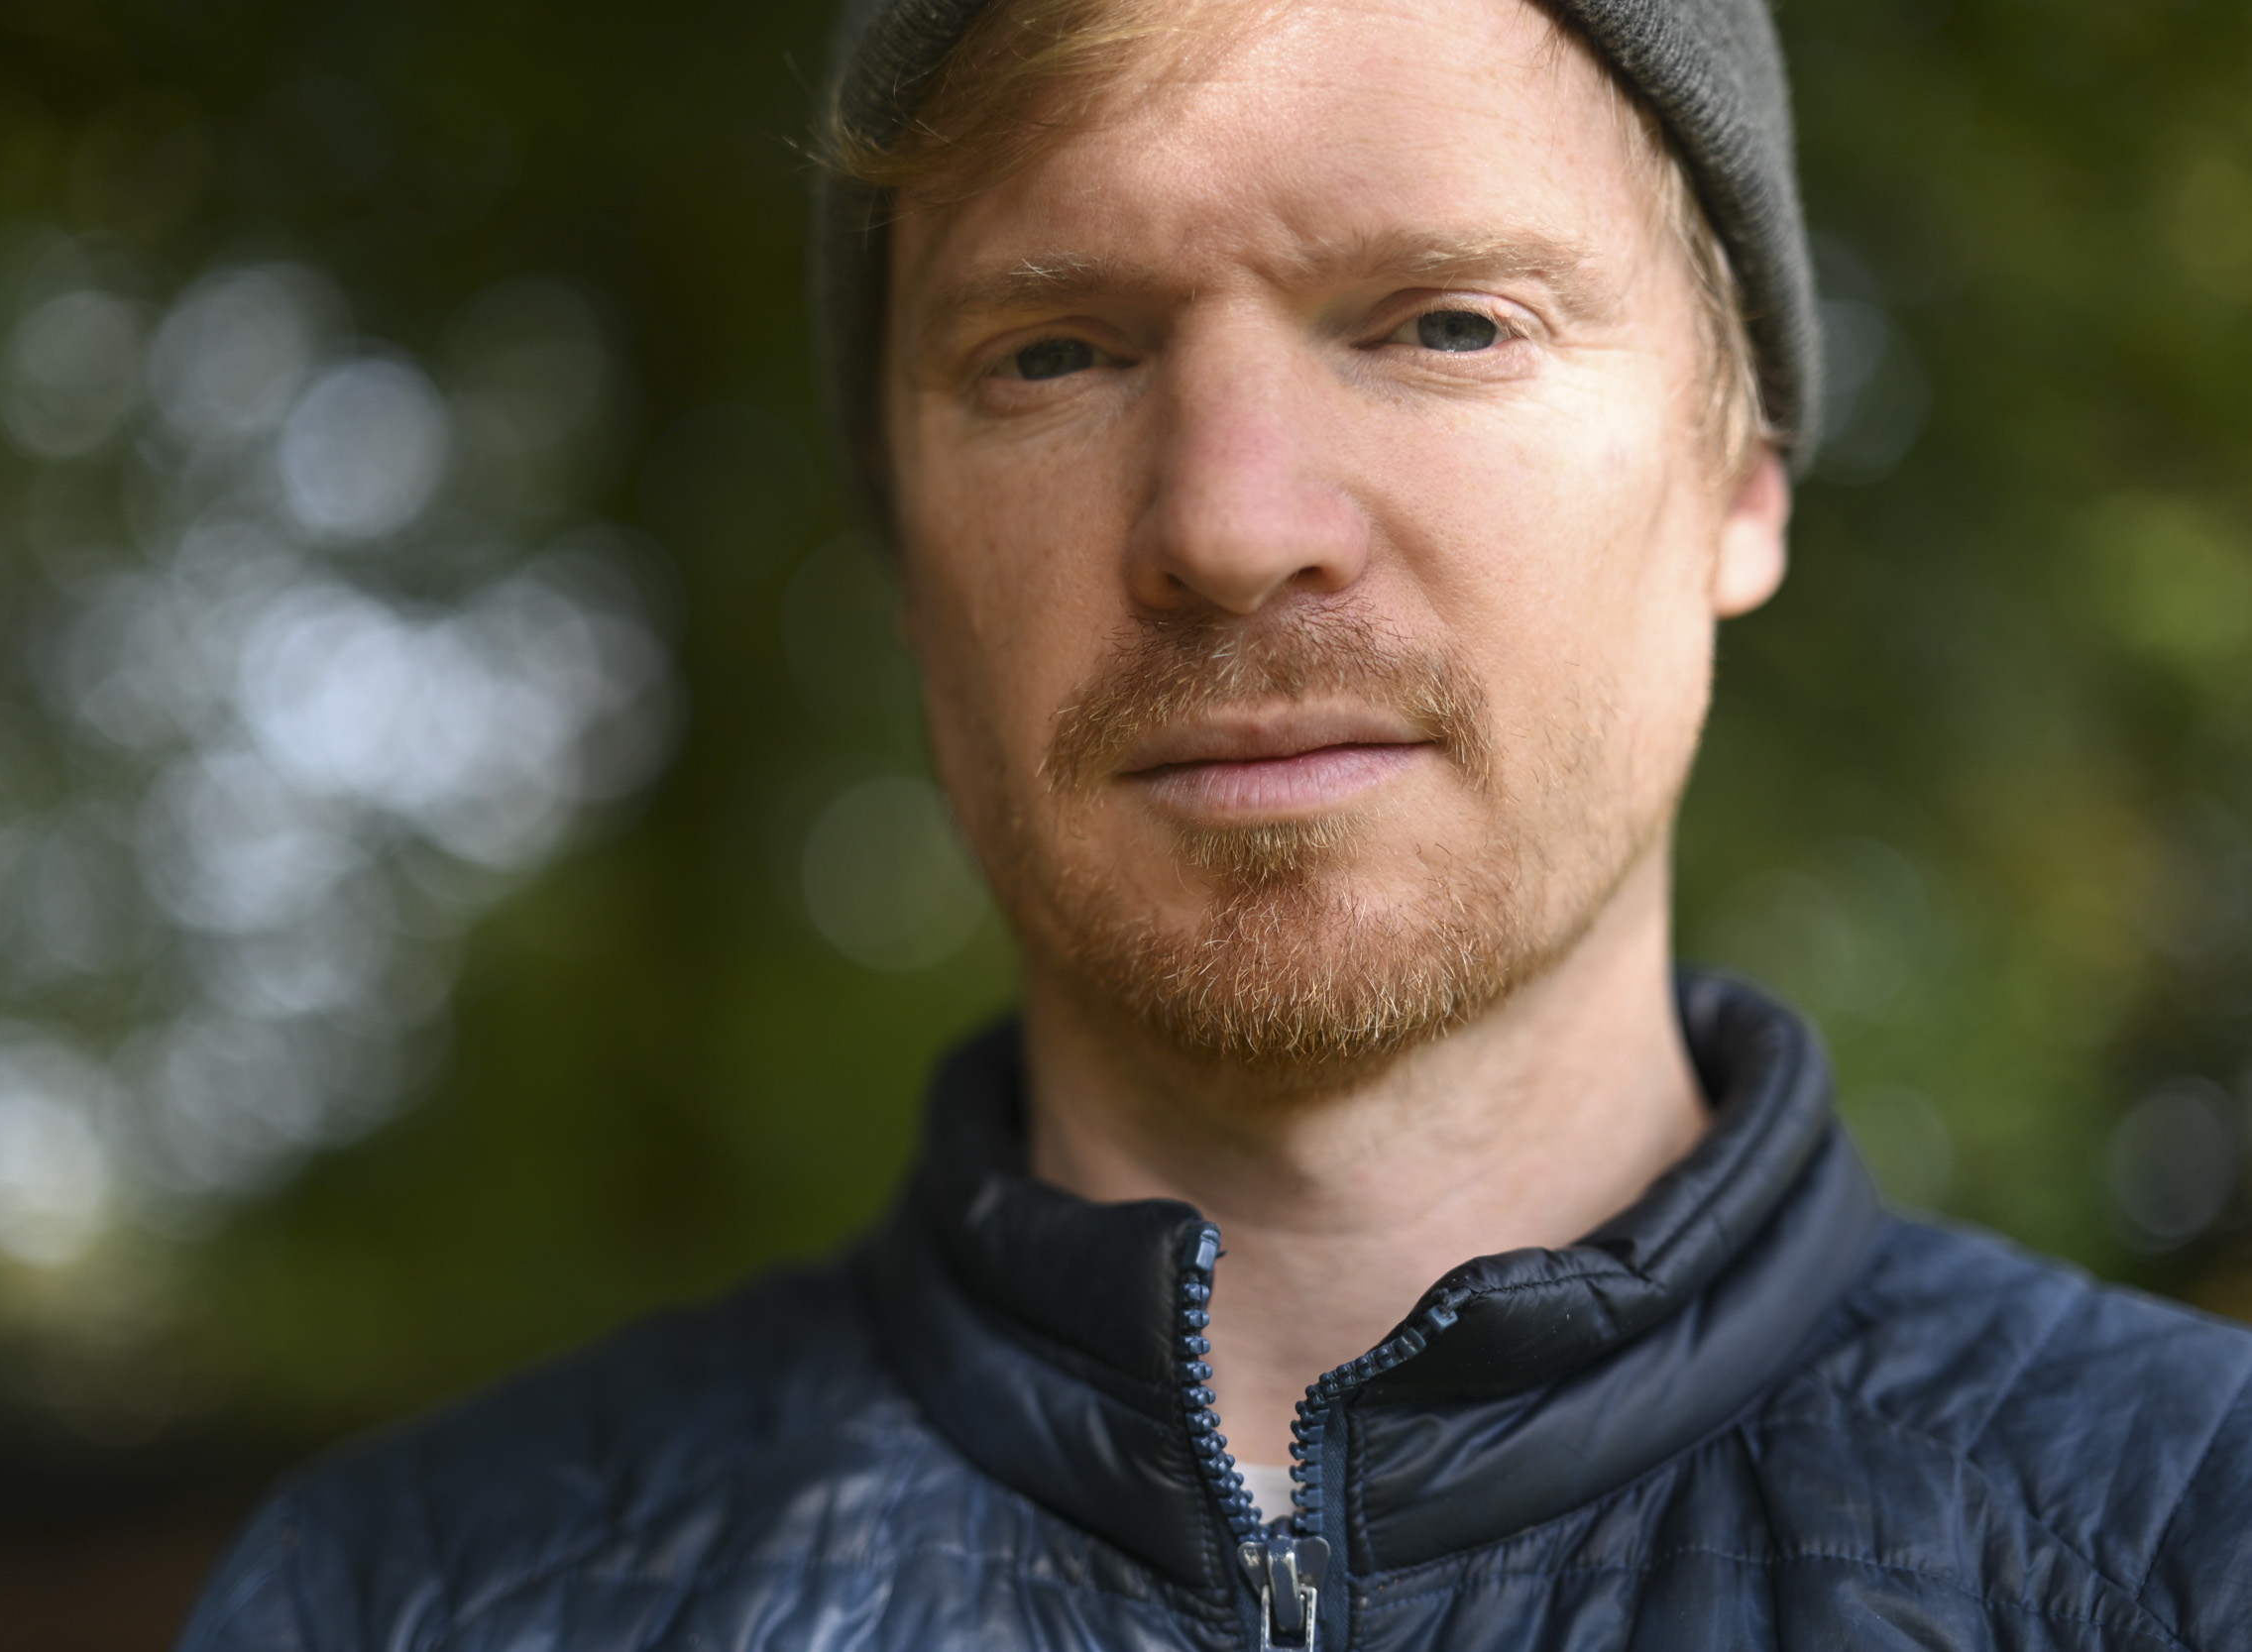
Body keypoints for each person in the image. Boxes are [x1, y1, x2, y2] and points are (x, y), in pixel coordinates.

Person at [180, 0, 2252, 1646]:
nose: (1228, 522)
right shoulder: (420, 1598)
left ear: (1738, 481)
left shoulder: (2188, 1550)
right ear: (906, 553)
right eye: (1055, 353)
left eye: (1444, 321)